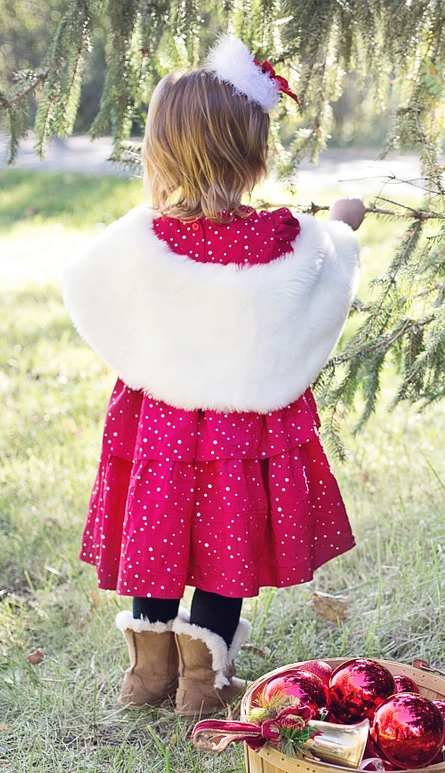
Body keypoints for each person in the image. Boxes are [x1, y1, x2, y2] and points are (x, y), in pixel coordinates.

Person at [62, 34, 365, 717]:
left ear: (160, 151)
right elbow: (327, 273)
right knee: (230, 543)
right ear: (255, 154)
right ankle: (203, 682)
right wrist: (346, 221)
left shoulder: (142, 237)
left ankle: (148, 675)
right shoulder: (284, 237)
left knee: (160, 535)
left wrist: (152, 357)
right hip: (240, 433)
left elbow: (85, 284)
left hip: (164, 426)